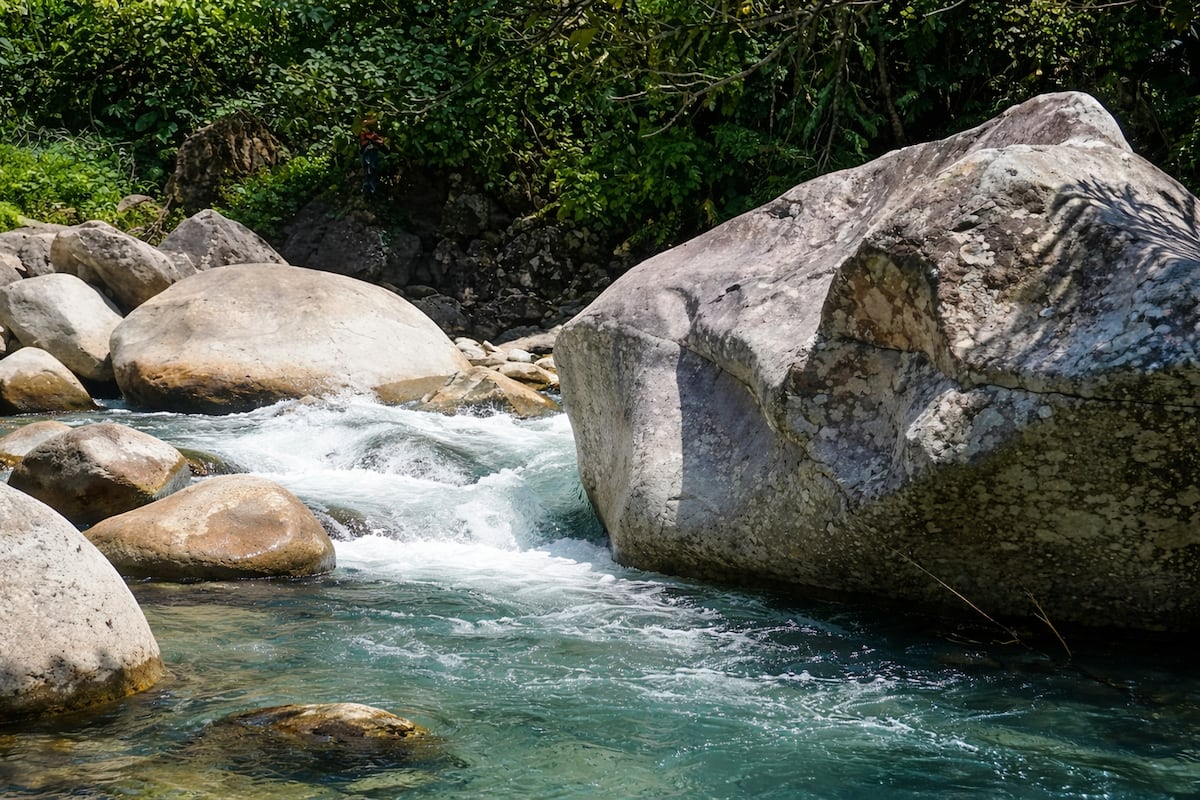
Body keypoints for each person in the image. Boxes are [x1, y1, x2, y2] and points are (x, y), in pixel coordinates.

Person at [358, 115, 385, 195]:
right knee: (370, 169)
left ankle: (371, 190)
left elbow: (379, 139)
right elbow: (373, 138)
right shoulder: (365, 131)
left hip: (371, 151)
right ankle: (369, 190)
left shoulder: (371, 131)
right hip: (368, 151)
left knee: (372, 169)